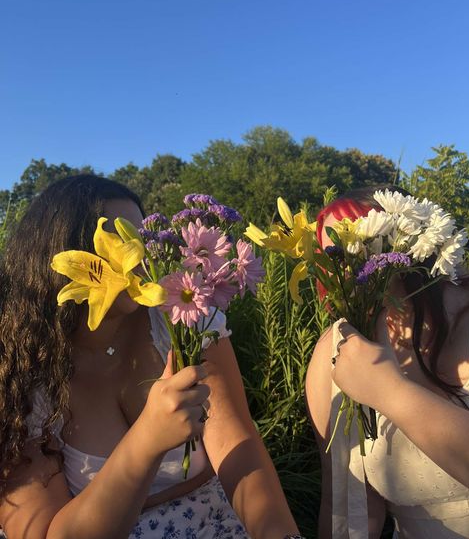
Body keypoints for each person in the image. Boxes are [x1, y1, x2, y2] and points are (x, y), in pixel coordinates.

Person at [0, 174, 302, 539]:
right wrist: (147, 439)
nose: (139, 258)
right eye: (117, 244)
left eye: (139, 238)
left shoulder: (180, 319)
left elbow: (236, 438)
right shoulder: (21, 375)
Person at [305, 187, 469, 538]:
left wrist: (390, 393)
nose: (344, 266)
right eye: (329, 254)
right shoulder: (337, 352)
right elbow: (351, 508)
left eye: (358, 241)